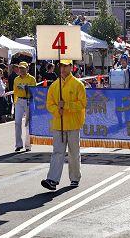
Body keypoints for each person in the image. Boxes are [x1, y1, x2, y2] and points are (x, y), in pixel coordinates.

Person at [41, 59, 87, 190]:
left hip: (73, 123)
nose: (63, 69)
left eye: (66, 66)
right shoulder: (54, 85)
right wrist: (57, 110)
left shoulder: (78, 85)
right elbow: (49, 104)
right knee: (57, 152)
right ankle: (52, 179)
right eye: (61, 66)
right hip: (58, 123)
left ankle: (75, 177)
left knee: (74, 152)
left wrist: (66, 106)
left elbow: (82, 104)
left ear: (71, 67)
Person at [13, 61, 36, 152]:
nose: (22, 70)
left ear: (27, 69)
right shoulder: (16, 79)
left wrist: (27, 89)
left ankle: (28, 145)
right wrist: (15, 102)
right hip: (19, 101)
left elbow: (34, 91)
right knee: (17, 122)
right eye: (20, 68)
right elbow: (15, 91)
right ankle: (18, 144)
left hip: (28, 101)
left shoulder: (31, 79)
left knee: (28, 124)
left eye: (23, 68)